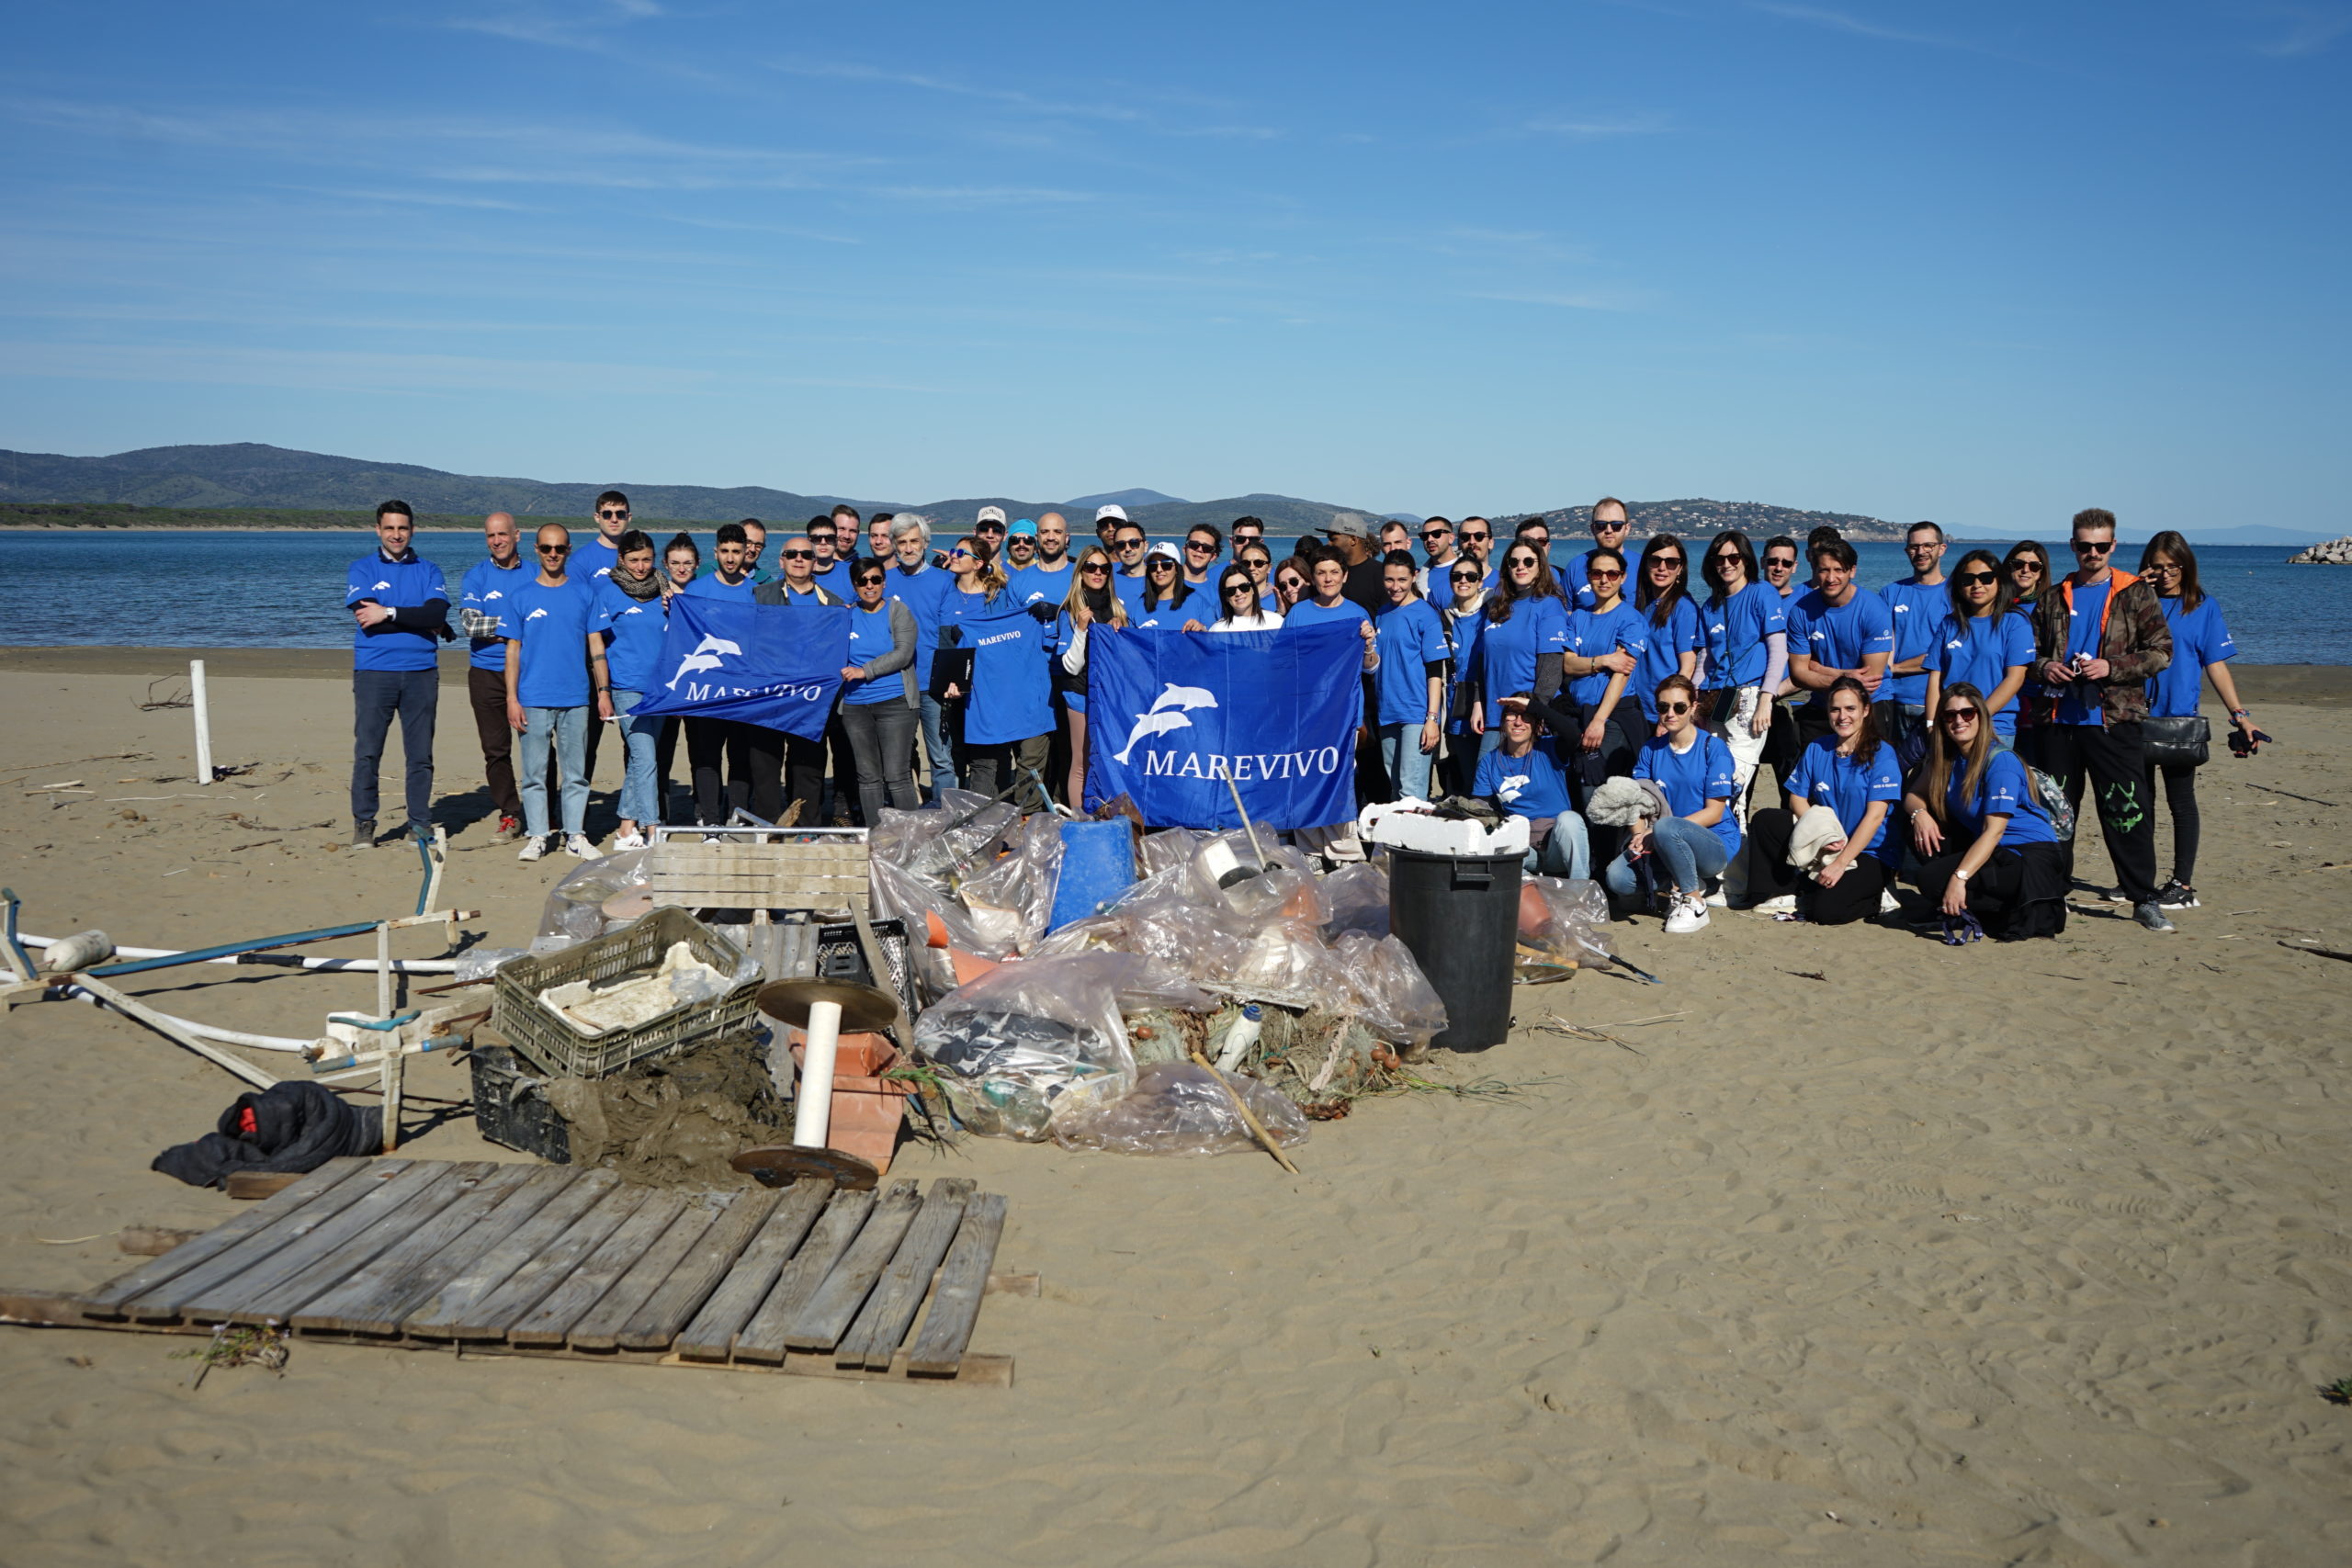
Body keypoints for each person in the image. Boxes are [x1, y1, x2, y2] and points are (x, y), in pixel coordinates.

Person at [2031, 508, 2174, 932]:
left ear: (2113, 545)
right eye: (2084, 545)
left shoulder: (2135, 592)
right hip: (2059, 721)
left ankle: (2142, 898)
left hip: (2114, 720)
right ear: (2072, 546)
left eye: (2100, 546)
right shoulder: (2053, 596)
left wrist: (2112, 667)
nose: (2092, 553)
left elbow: (2161, 651)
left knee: (2127, 812)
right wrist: (2045, 668)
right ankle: (2053, 893)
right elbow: (2029, 653)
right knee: (2056, 814)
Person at [2137, 531, 2256, 912]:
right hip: (2133, 715)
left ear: (2186, 566)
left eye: (2173, 566)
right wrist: (2135, 589)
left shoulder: (2203, 607)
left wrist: (2240, 716)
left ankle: (2182, 884)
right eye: (2158, 567)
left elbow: (2215, 665)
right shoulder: (2134, 601)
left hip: (2179, 720)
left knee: (2181, 802)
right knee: (2139, 803)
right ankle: (2138, 880)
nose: (2166, 574)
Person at [1903, 682, 2067, 940]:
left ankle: (2015, 904)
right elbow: (1913, 795)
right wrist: (1919, 815)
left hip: (2026, 853)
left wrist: (1959, 878)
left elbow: (1994, 832)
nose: (1959, 720)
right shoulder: (1947, 757)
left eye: (1967, 713)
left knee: (1930, 880)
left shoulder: (2001, 761)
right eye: (1950, 715)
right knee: (1911, 822)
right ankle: (1962, 899)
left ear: (1981, 715)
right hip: (1988, 844)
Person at [1742, 677, 1902, 923]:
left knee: (1827, 912)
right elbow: (1797, 797)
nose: (1842, 716)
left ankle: (1879, 895)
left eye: (1850, 708)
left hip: (1869, 850)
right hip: (1828, 840)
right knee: (1766, 820)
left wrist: (1841, 862)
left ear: (1866, 710)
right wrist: (1821, 833)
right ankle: (1783, 890)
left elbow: (1876, 816)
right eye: (1835, 709)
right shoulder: (1818, 747)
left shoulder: (1882, 754)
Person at [345, 499, 450, 852]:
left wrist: (388, 612)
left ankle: (419, 823)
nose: (396, 534)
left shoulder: (429, 570)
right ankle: (364, 823)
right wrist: (417, 618)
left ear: (412, 530)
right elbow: (367, 620)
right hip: (375, 671)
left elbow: (435, 614)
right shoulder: (362, 569)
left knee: (420, 755)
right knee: (368, 752)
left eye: (402, 528)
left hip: (421, 672)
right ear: (378, 530)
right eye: (389, 528)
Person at [504, 525, 610, 862]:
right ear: (537, 549)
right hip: (532, 698)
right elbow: (512, 652)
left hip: (576, 697)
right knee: (534, 774)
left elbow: (597, 646)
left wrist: (603, 692)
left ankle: (575, 835)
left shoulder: (585, 593)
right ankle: (538, 835)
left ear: (568, 550)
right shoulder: (520, 596)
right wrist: (511, 698)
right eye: (547, 548)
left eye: (560, 548)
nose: (553, 554)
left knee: (576, 774)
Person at [1611, 674, 1740, 933]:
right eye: (1663, 707)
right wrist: (1639, 835)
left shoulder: (1713, 747)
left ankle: (1694, 901)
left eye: (1679, 707)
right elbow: (1638, 801)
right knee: (1618, 879)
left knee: (1667, 827)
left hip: (1713, 840)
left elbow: (1715, 813)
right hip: (1663, 837)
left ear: (1693, 707)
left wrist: (1656, 831)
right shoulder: (1651, 749)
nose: (1670, 714)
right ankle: (1687, 881)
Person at [938, 537, 1053, 811]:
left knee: (997, 758)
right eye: (953, 550)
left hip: (999, 688)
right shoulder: (944, 589)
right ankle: (972, 815)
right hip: (962, 686)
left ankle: (1009, 813)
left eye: (960, 552)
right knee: (964, 756)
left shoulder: (998, 596)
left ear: (978, 563)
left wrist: (1053, 611)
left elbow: (1011, 638)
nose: (954, 555)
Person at [742, 534, 848, 826]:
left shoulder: (833, 604)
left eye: (805, 554)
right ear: (781, 561)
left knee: (808, 768)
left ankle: (806, 828)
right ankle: (766, 825)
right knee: (764, 767)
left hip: (811, 701)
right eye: (792, 554)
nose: (799, 559)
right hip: (769, 697)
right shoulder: (760, 596)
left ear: (815, 562)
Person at [1696, 530, 1785, 818]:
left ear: (1746, 559)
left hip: (1749, 695)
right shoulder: (1711, 605)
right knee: (1714, 776)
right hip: (1716, 697)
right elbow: (1705, 659)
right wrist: (1695, 701)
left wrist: (1766, 700)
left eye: (1733, 557)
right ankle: (1729, 836)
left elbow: (1778, 650)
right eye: (1719, 558)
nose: (1726, 564)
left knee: (1735, 780)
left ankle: (1734, 838)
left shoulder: (1762, 593)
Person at [592, 530, 669, 851]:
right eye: (634, 560)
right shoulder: (607, 594)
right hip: (626, 688)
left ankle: (625, 829)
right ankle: (653, 830)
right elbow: (597, 644)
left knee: (642, 761)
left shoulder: (665, 590)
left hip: (660, 690)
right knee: (645, 758)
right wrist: (603, 692)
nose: (641, 566)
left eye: (647, 559)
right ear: (621, 559)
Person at [679, 522, 760, 829]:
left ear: (746, 552)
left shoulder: (755, 592)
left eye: (736, 551)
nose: (730, 558)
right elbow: (685, 638)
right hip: (707, 691)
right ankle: (710, 820)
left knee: (740, 758)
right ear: (715, 552)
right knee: (707, 757)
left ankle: (736, 818)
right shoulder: (696, 590)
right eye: (725, 551)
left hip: (741, 692)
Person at [458, 511, 528, 840]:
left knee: (539, 746)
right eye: (491, 535)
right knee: (496, 750)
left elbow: (550, 619)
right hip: (486, 672)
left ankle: (546, 812)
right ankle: (510, 813)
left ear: (517, 535)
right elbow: (471, 624)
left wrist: (498, 628)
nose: (497, 541)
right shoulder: (476, 576)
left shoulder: (537, 572)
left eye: (503, 534)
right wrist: (517, 626)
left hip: (529, 672)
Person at [1785, 536, 1894, 749]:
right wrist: (1844, 676)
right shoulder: (1800, 611)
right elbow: (1798, 674)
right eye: (1824, 570)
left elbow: (1868, 680)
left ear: (1852, 571)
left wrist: (1818, 669)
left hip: (1870, 703)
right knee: (1813, 764)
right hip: (1823, 702)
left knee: (1867, 764)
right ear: (1814, 570)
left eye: (1839, 570)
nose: (1831, 578)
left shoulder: (1873, 609)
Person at [835, 557, 921, 823]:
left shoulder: (898, 611)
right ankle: (877, 834)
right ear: (854, 585)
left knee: (897, 775)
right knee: (868, 777)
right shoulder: (846, 615)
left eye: (875, 579)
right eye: (862, 581)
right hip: (855, 706)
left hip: (895, 703)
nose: (869, 586)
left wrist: (865, 671)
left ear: (884, 582)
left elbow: (903, 654)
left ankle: (911, 836)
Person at [1467, 540, 1570, 760]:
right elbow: (1483, 661)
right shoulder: (1497, 607)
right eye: (1514, 562)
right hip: (1495, 714)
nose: (1520, 566)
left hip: (1527, 717)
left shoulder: (1549, 605)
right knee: (1485, 778)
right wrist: (1478, 703)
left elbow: (1551, 667)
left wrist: (1536, 711)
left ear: (1540, 566)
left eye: (1528, 561)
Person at [1923, 549, 2033, 746]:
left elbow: (2015, 678)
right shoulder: (1949, 624)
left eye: (1986, 578)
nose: (1977, 585)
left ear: (1999, 581)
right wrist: (1931, 724)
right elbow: (1935, 677)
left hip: (1995, 728)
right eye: (1968, 579)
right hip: (1953, 726)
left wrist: (1976, 718)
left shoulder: (2015, 622)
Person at [1479, 692, 1593, 878]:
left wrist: (1534, 706)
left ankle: (1580, 888)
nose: (1518, 722)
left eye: (1526, 717)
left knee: (1570, 820)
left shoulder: (1550, 748)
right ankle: (1529, 889)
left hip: (1557, 845)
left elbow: (1574, 734)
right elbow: (1480, 806)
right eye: (1512, 715)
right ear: (1503, 722)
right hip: (1522, 845)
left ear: (1537, 725)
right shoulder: (1488, 761)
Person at [882, 514, 956, 801]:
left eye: (914, 541)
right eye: (902, 542)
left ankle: (945, 813)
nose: (909, 548)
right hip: (895, 682)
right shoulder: (884, 581)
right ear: (893, 545)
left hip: (932, 683)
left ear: (925, 543)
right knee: (896, 758)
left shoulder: (944, 580)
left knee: (941, 757)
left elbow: (948, 636)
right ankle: (903, 813)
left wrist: (949, 680)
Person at [1054, 546, 1127, 807]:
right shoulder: (1069, 610)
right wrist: (1081, 629)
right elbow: (1071, 666)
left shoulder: (1118, 609)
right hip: (1080, 694)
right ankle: (1079, 818)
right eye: (1091, 567)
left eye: (1104, 569)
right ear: (1080, 571)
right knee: (1082, 762)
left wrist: (1120, 634)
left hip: (1110, 697)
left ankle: (1103, 812)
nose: (1098, 573)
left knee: (1108, 759)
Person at [1559, 547, 1644, 776]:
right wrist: (1604, 660)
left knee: (1595, 786)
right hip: (1578, 712)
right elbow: (1568, 665)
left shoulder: (1631, 619)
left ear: (1623, 577)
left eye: (1612, 574)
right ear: (1588, 577)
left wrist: (1599, 721)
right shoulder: (1578, 617)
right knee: (1575, 783)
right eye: (1597, 573)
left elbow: (1621, 674)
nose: (1604, 580)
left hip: (1611, 716)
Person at [1373, 554, 1449, 801]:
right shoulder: (1382, 613)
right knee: (1395, 790)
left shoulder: (1426, 614)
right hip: (1387, 713)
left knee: (1411, 793)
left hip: (1416, 714)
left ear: (1414, 576)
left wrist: (1432, 719)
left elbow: (1435, 672)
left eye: (1402, 580)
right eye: (1389, 580)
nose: (1395, 587)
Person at [1877, 521, 1949, 762]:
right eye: (1914, 547)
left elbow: (1947, 653)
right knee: (1892, 772)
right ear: (1907, 550)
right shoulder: (1891, 593)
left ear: (1942, 548)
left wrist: (1895, 668)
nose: (1921, 552)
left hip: (1936, 702)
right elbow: (1882, 645)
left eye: (1928, 545)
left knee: (1934, 773)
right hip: (1893, 701)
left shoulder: (1955, 594)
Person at [1628, 534, 1702, 736]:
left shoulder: (1684, 608)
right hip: (1636, 706)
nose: (1662, 568)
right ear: (1646, 564)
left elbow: (1688, 666)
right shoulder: (1642, 604)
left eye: (1671, 562)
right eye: (1655, 560)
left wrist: (1669, 714)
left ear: (1680, 568)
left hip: (1661, 713)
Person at [1436, 554, 1488, 797]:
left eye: (1470, 576)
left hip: (1486, 704)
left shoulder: (1492, 615)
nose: (1463, 581)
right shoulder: (1444, 619)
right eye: (1457, 576)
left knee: (1486, 778)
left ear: (1480, 581)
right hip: (1456, 707)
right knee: (1467, 779)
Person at [2001, 539, 2055, 763]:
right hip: (2000, 696)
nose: (2026, 570)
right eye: (2018, 564)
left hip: (2034, 699)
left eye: (2034, 566)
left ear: (2042, 573)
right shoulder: (1993, 605)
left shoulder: (2050, 607)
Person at [1561, 497, 1634, 610]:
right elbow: (1564, 613)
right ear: (1592, 529)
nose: (1609, 530)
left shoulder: (1644, 566)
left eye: (1616, 525)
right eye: (1601, 525)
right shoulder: (1575, 567)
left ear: (1627, 528)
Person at [1318, 513, 1387, 612]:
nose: (1329, 544)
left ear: (1353, 540)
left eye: (1333, 539)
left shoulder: (1381, 573)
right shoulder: (1331, 574)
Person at [1134, 542, 1208, 629]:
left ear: (1177, 569)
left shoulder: (1198, 602)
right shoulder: (1139, 605)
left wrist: (1203, 629)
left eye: (1166, 565)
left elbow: (1215, 634)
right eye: (1153, 566)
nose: (1159, 570)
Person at [1206, 562, 1282, 631]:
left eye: (1244, 587)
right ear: (1226, 597)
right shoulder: (1218, 629)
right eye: (1231, 590)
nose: (1238, 593)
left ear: (1253, 589)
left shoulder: (1276, 621)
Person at [1417, 516, 1460, 598]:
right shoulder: (1419, 577)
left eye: (1436, 534)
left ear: (1451, 538)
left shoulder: (1469, 571)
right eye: (1425, 536)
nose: (1430, 539)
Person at [1182, 524, 1225, 589]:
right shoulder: (1167, 581)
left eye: (1207, 548)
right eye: (1194, 545)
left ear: (1213, 557)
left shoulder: (1216, 591)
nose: (1200, 550)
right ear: (1185, 550)